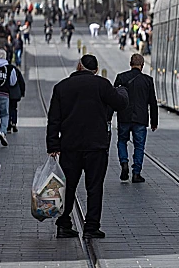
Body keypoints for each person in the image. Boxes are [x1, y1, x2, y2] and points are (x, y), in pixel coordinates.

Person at [46, 54, 128, 239]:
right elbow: (120, 103)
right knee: (94, 187)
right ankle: (91, 227)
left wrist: (53, 144)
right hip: (96, 146)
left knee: (67, 186)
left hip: (70, 146)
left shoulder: (61, 87)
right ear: (96, 70)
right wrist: (122, 91)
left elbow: (54, 119)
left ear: (78, 66)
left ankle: (63, 223)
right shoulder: (102, 85)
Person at [114, 54, 158, 183]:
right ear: (142, 65)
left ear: (130, 63)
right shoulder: (148, 80)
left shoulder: (121, 78)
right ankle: (136, 173)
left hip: (124, 117)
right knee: (139, 146)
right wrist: (154, 122)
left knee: (122, 141)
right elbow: (153, 102)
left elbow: (114, 97)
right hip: (140, 118)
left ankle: (124, 162)